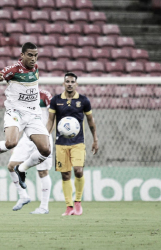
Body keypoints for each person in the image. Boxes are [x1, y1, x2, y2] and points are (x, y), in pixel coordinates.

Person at [0, 42, 51, 189]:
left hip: (33, 114)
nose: (33, 58)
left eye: (36, 55)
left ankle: (22, 169)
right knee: (11, 143)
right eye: (30, 55)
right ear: (22, 55)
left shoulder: (35, 68)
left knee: (46, 150)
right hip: (15, 112)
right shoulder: (13, 70)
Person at [46, 72, 98, 216]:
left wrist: (95, 139)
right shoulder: (56, 100)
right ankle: (69, 206)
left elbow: (90, 121)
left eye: (72, 81)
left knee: (78, 170)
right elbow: (50, 120)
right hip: (61, 143)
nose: (69, 84)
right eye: (67, 81)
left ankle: (78, 202)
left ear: (76, 84)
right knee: (65, 175)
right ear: (63, 83)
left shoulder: (83, 100)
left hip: (78, 142)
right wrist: (46, 136)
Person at [8, 88, 53, 214]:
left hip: (43, 136)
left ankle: (44, 207)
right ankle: (23, 196)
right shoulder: (21, 96)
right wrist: (15, 142)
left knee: (43, 171)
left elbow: (52, 117)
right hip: (27, 138)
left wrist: (47, 136)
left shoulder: (45, 95)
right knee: (11, 166)